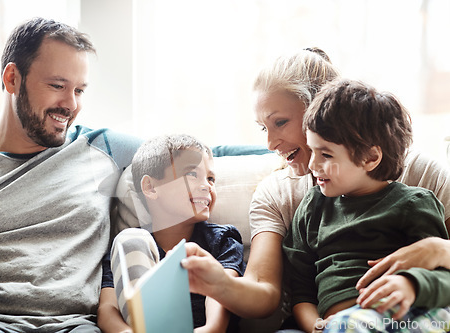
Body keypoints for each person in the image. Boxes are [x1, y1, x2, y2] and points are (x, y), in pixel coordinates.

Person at [180, 48, 450, 326]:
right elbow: (278, 289)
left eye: (280, 122)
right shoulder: (291, 198)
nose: (270, 144)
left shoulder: (419, 181)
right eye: (263, 128)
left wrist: (438, 249)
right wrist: (219, 283)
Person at [0, 18, 142, 333]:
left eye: (79, 90)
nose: (71, 104)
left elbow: (194, 153)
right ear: (12, 78)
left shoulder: (101, 147)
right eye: (57, 86)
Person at [283, 78, 450, 333]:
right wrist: (315, 326)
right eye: (312, 150)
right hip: (333, 326)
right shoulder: (312, 208)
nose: (313, 165)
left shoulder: (414, 204)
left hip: (397, 317)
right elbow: (301, 289)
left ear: (371, 157)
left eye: (326, 154)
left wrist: (411, 285)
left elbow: (444, 277)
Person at [97, 134, 245, 333]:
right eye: (192, 174)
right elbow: (108, 308)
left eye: (210, 178)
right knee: (129, 239)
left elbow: (218, 296)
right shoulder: (128, 245)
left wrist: (210, 329)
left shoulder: (222, 240)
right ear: (150, 187)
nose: (206, 186)